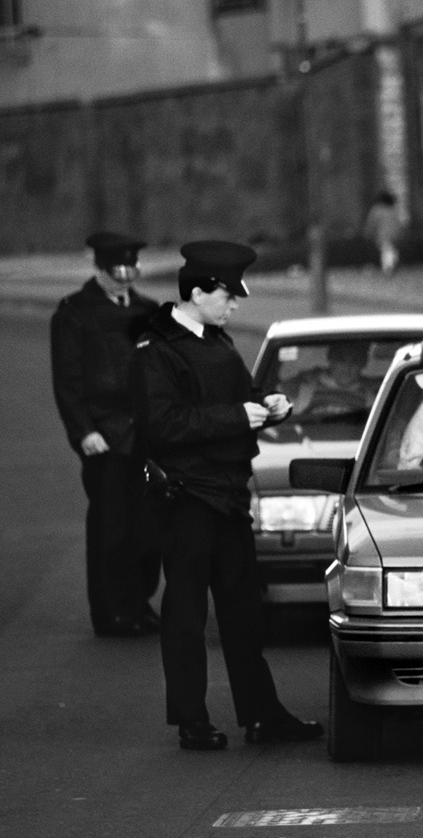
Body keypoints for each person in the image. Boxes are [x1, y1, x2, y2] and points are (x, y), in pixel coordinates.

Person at [128, 241, 324, 751]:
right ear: (197, 293)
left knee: (243, 614)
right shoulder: (156, 350)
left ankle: (262, 715)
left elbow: (239, 397)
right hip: (186, 498)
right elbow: (162, 426)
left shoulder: (218, 342)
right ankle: (191, 720)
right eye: (227, 296)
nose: (235, 305)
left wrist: (268, 405)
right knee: (187, 615)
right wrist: (238, 417)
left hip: (230, 496)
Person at [50, 231, 162, 637]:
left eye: (132, 268)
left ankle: (138, 603)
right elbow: (68, 381)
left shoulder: (148, 311)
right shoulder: (75, 313)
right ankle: (111, 612)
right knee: (110, 530)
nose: (126, 276)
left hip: (145, 436)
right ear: (99, 268)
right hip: (105, 437)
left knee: (148, 530)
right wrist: (84, 433)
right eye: (118, 269)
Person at [285, 340, 374, 415]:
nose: (347, 367)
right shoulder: (305, 387)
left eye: (355, 361)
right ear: (330, 359)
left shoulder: (372, 395)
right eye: (341, 360)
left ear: (363, 363)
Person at [363, 190, 403, 275]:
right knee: (391, 250)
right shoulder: (393, 210)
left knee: (386, 250)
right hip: (395, 234)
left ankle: (388, 268)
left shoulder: (377, 209)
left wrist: (368, 232)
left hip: (384, 234)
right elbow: (399, 223)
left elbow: (371, 222)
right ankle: (391, 265)